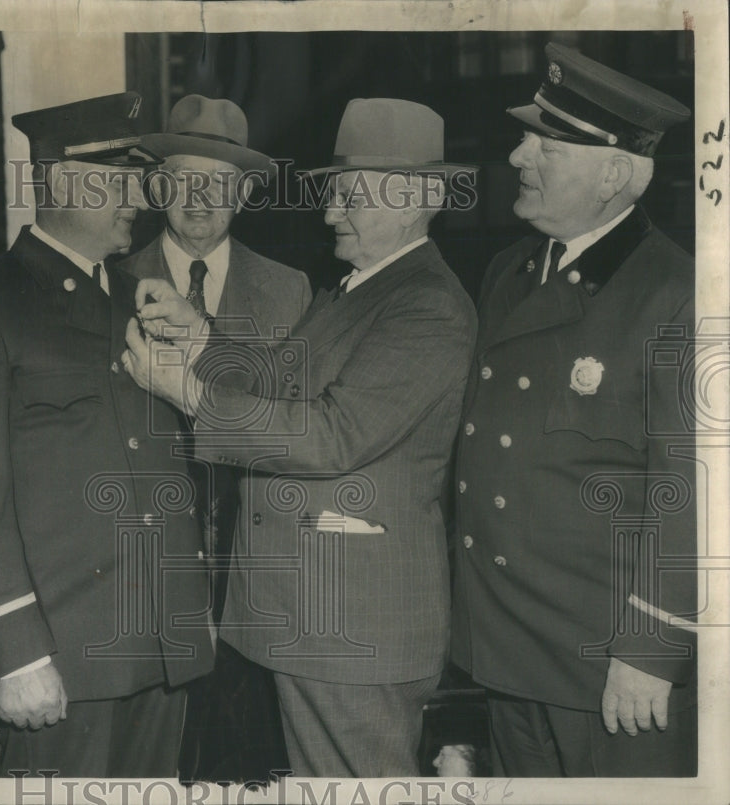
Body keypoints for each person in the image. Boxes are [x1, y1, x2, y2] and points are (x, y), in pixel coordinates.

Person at [124, 98, 478, 777]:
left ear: (414, 199)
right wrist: (198, 334)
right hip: (317, 625)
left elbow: (331, 433)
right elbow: (282, 380)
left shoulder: (427, 304)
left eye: (349, 197)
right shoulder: (358, 288)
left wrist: (188, 392)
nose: (327, 213)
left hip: (352, 630)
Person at [0, 92, 215, 779]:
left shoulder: (138, 299)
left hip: (165, 654)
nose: (139, 200)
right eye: (118, 181)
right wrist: (15, 650)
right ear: (58, 181)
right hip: (61, 660)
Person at [450, 43, 697, 777]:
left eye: (546, 144)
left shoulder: (676, 296)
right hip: (506, 645)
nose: (520, 155)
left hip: (607, 664)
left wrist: (651, 651)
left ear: (614, 175)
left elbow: (692, 492)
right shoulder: (510, 271)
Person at [119, 94, 310, 782]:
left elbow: (295, 416)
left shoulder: (291, 292)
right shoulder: (111, 279)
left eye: (220, 181)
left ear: (247, 191)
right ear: (155, 186)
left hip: (256, 577)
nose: (198, 198)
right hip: (139, 573)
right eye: (180, 179)